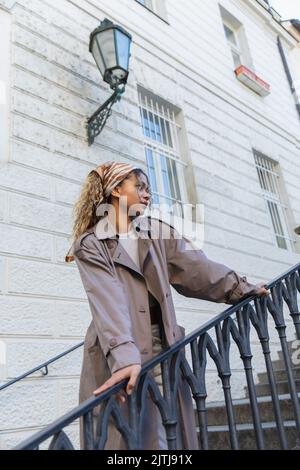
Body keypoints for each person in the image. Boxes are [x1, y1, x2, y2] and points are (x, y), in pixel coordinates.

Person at [65, 161, 270, 450]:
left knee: (168, 434)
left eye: (148, 189)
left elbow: (198, 269)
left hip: (163, 346)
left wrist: (240, 287)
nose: (147, 195)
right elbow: (106, 297)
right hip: (118, 352)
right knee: (127, 441)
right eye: (139, 187)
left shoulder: (156, 233)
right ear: (115, 190)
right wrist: (124, 358)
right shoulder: (91, 243)